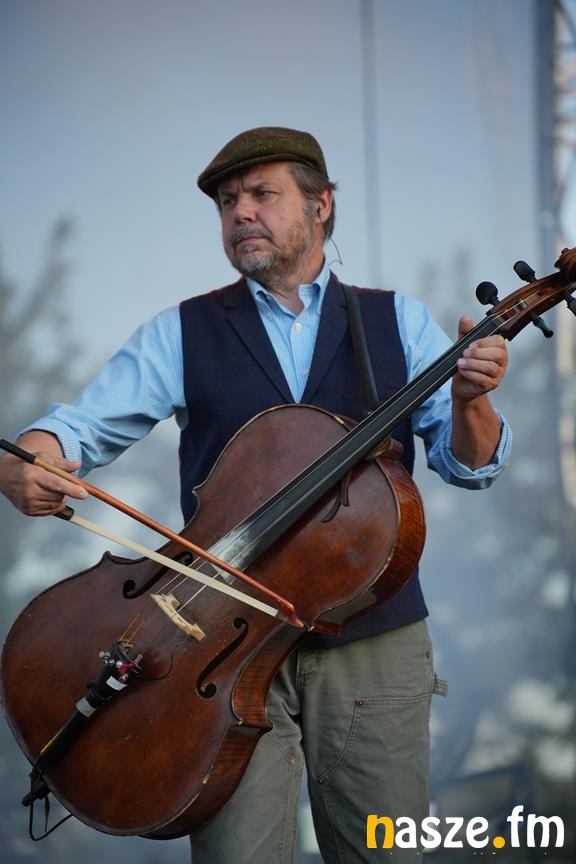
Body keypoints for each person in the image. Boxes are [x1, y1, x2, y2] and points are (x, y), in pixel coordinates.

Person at [0, 127, 510, 863]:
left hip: (370, 637)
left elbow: (471, 467)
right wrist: (32, 458)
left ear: (321, 205)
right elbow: (78, 427)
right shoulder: (182, 331)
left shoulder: (398, 320)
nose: (241, 211)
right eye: (227, 201)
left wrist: (469, 401)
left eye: (262, 194)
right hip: (213, 645)